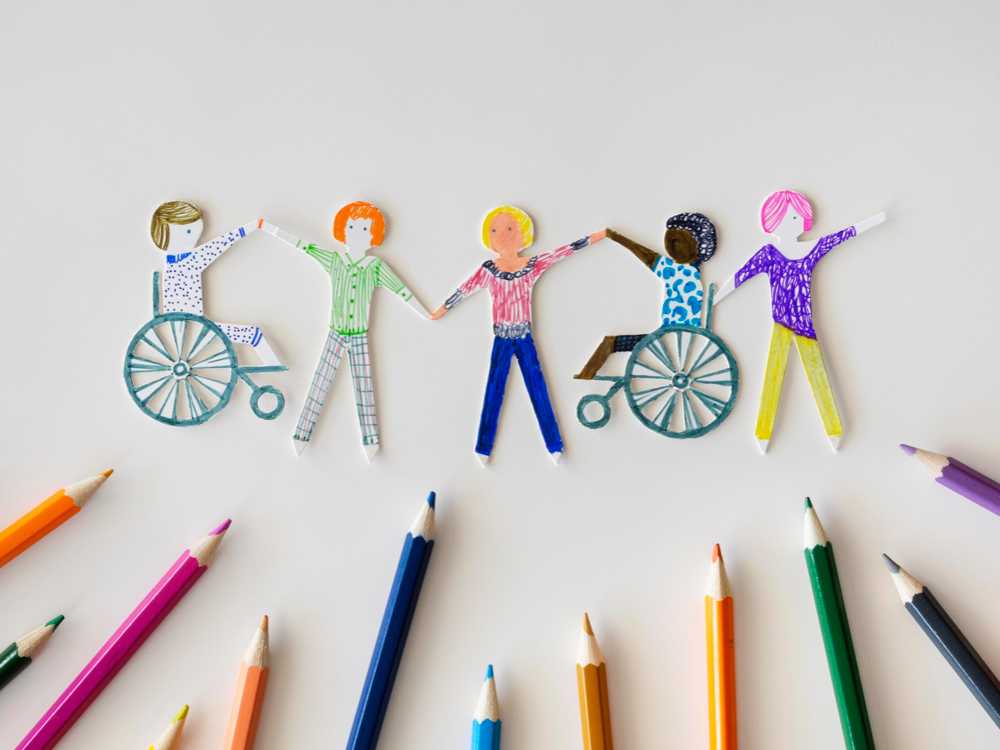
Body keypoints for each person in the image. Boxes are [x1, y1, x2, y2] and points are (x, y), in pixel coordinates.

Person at [431, 205, 606, 465]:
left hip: (524, 338)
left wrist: (599, 236)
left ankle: (554, 445)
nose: (502, 235)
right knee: (494, 389)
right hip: (501, 339)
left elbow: (564, 251)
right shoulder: (488, 269)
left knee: (538, 388)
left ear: (524, 234)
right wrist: (440, 310)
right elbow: (463, 290)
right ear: (488, 237)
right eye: (495, 230)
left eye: (510, 229)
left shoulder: (532, 265)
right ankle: (483, 448)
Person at [714, 190, 885, 453]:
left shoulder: (811, 249)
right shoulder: (768, 253)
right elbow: (740, 277)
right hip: (781, 322)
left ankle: (833, 432)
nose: (793, 222)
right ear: (773, 221)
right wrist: (715, 299)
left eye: (796, 216)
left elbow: (842, 236)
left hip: (804, 323)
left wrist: (875, 220)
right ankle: (764, 435)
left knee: (815, 376)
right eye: (787, 216)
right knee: (774, 374)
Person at [262, 202, 428, 461]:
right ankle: (301, 436)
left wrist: (427, 313)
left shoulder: (375, 267)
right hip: (336, 334)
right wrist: (272, 229)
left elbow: (401, 291)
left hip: (360, 335)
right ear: (343, 230)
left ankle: (371, 443)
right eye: (351, 226)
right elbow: (305, 246)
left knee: (364, 386)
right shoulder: (335, 260)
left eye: (364, 227)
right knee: (320, 382)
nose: (357, 232)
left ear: (374, 233)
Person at [574, 212, 717, 379]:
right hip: (679, 336)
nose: (670, 247)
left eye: (674, 241)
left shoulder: (678, 271)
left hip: (667, 337)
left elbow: (647, 256)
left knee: (611, 342)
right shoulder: (693, 275)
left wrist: (616, 237)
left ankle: (587, 373)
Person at [150, 201, 281, 367]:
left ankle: (273, 366)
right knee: (252, 334)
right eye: (190, 231)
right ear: (167, 234)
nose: (195, 238)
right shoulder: (188, 262)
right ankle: (275, 365)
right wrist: (254, 226)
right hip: (198, 330)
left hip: (187, 330)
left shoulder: (172, 266)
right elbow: (221, 244)